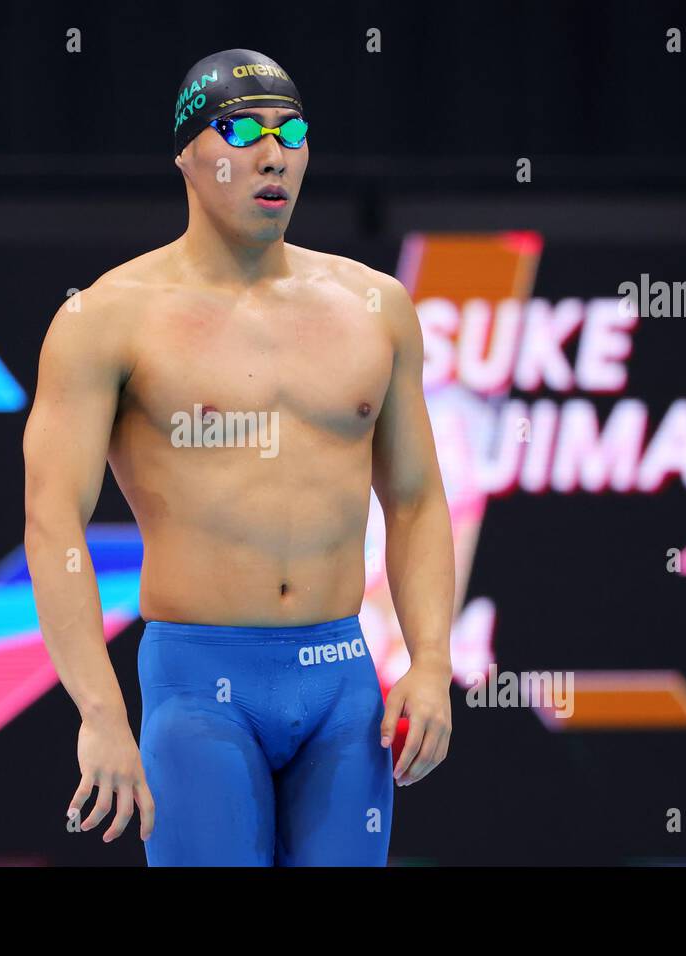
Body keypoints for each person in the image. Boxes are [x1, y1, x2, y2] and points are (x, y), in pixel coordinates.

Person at [23, 49, 455, 866]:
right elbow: (53, 525)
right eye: (241, 130)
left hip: (342, 682)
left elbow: (416, 499)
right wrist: (100, 714)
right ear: (187, 153)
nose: (272, 154)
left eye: (291, 132)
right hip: (197, 686)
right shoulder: (106, 320)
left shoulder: (376, 308)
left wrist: (431, 661)